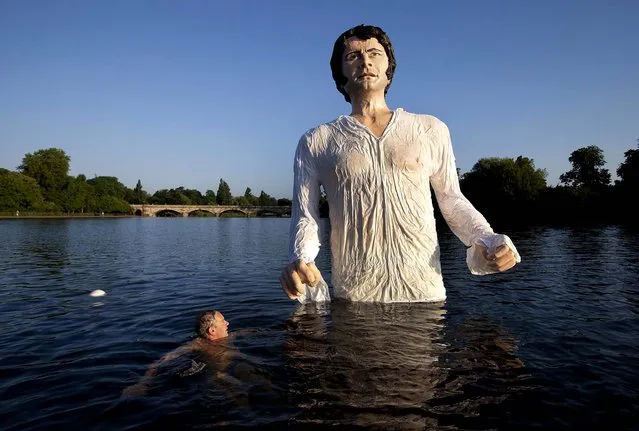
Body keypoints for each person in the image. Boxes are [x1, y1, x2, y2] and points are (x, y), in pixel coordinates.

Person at [280, 24, 521, 303]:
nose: (365, 61)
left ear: (389, 66)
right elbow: (306, 216)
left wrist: (486, 239)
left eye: (374, 53)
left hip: (424, 294)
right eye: (353, 56)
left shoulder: (429, 128)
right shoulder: (317, 140)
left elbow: (451, 199)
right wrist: (301, 258)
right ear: (340, 72)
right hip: (356, 297)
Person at [122, 309, 231, 397]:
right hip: (212, 380)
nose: (227, 323)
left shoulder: (230, 337)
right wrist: (143, 383)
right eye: (223, 321)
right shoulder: (196, 345)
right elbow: (163, 360)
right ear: (212, 330)